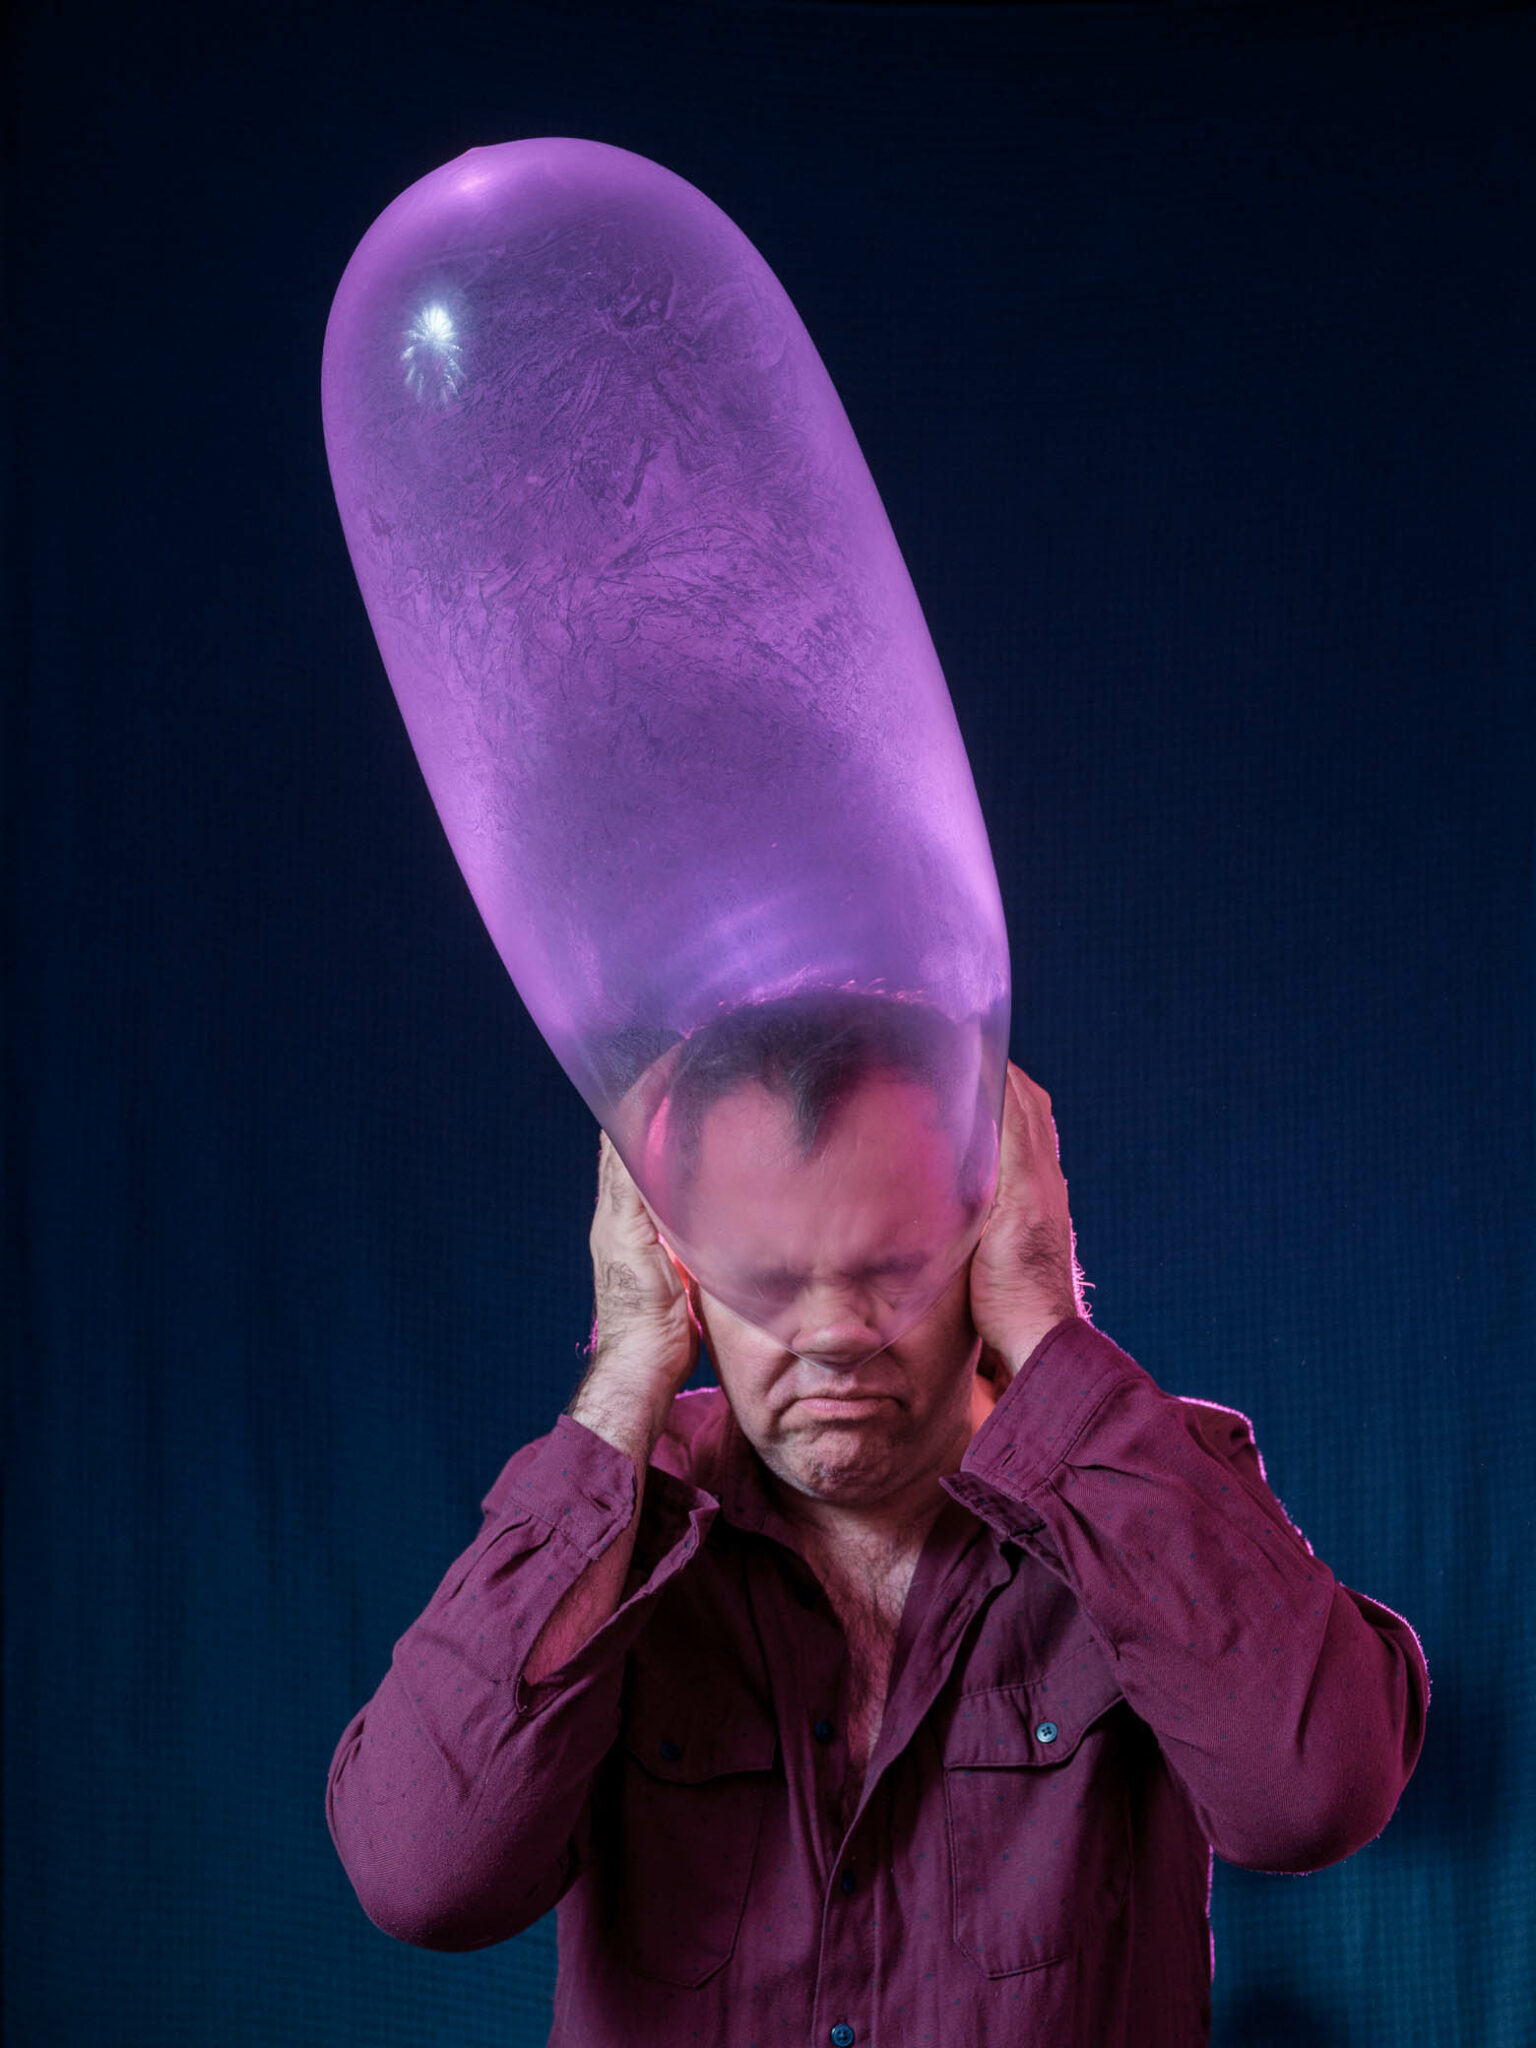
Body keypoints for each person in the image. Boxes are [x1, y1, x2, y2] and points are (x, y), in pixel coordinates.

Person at [325, 1009, 1429, 2047]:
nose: (835, 1337)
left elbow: (1314, 1797)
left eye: (892, 1269)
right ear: (678, 1268)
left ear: (986, 1239)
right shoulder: (610, 1533)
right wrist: (625, 1366)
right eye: (765, 1277)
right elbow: (427, 1877)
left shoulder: (1144, 1489)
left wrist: (1045, 1319)